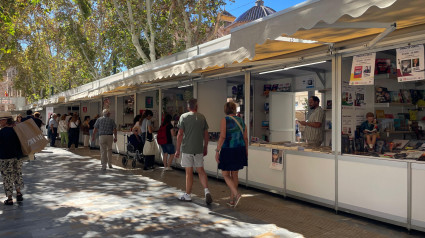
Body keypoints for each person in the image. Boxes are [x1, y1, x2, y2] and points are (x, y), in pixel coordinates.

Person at [175, 99, 212, 204]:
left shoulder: (183, 117)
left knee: (189, 172)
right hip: (199, 149)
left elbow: (180, 134)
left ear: (188, 107)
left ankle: (188, 194)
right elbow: (206, 134)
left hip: (187, 149)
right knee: (201, 171)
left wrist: (177, 149)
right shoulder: (202, 117)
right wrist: (205, 147)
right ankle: (206, 191)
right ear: (197, 106)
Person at [215, 102, 247, 207]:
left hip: (228, 149)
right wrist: (246, 151)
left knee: (225, 174)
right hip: (240, 149)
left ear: (225, 110)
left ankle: (237, 195)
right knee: (235, 174)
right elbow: (245, 138)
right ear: (234, 109)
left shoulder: (224, 120)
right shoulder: (241, 121)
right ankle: (232, 199)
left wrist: (217, 150)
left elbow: (223, 136)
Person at [0, 111, 24, 205]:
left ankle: (10, 199)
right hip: (17, 157)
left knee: (7, 177)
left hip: (5, 158)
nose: (0, 122)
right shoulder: (17, 130)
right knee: (17, 174)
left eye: (1, 120)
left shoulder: (2, 132)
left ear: (6, 121)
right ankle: (19, 193)